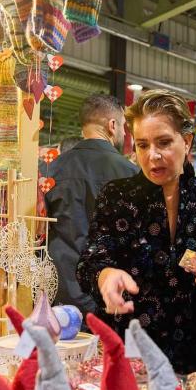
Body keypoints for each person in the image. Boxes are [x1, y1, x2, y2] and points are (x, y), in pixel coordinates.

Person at [77, 89, 196, 377]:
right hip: (132, 348)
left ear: (187, 141)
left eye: (163, 142)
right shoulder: (117, 196)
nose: (153, 156)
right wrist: (105, 275)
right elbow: (89, 261)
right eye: (142, 145)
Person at [46, 94, 138, 315]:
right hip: (111, 290)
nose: (124, 133)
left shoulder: (51, 171)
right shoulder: (131, 174)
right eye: (124, 126)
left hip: (61, 288)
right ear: (112, 125)